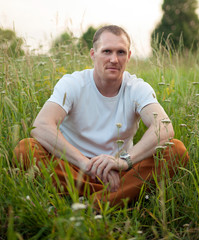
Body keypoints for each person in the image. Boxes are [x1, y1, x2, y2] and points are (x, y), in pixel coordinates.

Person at [13, 25, 189, 208]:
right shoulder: (73, 83)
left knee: (176, 150)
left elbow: (164, 127)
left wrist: (123, 162)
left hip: (120, 172)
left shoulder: (137, 88)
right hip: (75, 169)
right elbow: (41, 126)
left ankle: (93, 203)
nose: (114, 59)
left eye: (121, 52)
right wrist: (86, 163)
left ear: (128, 56)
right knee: (26, 149)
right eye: (107, 51)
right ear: (93, 54)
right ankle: (112, 198)